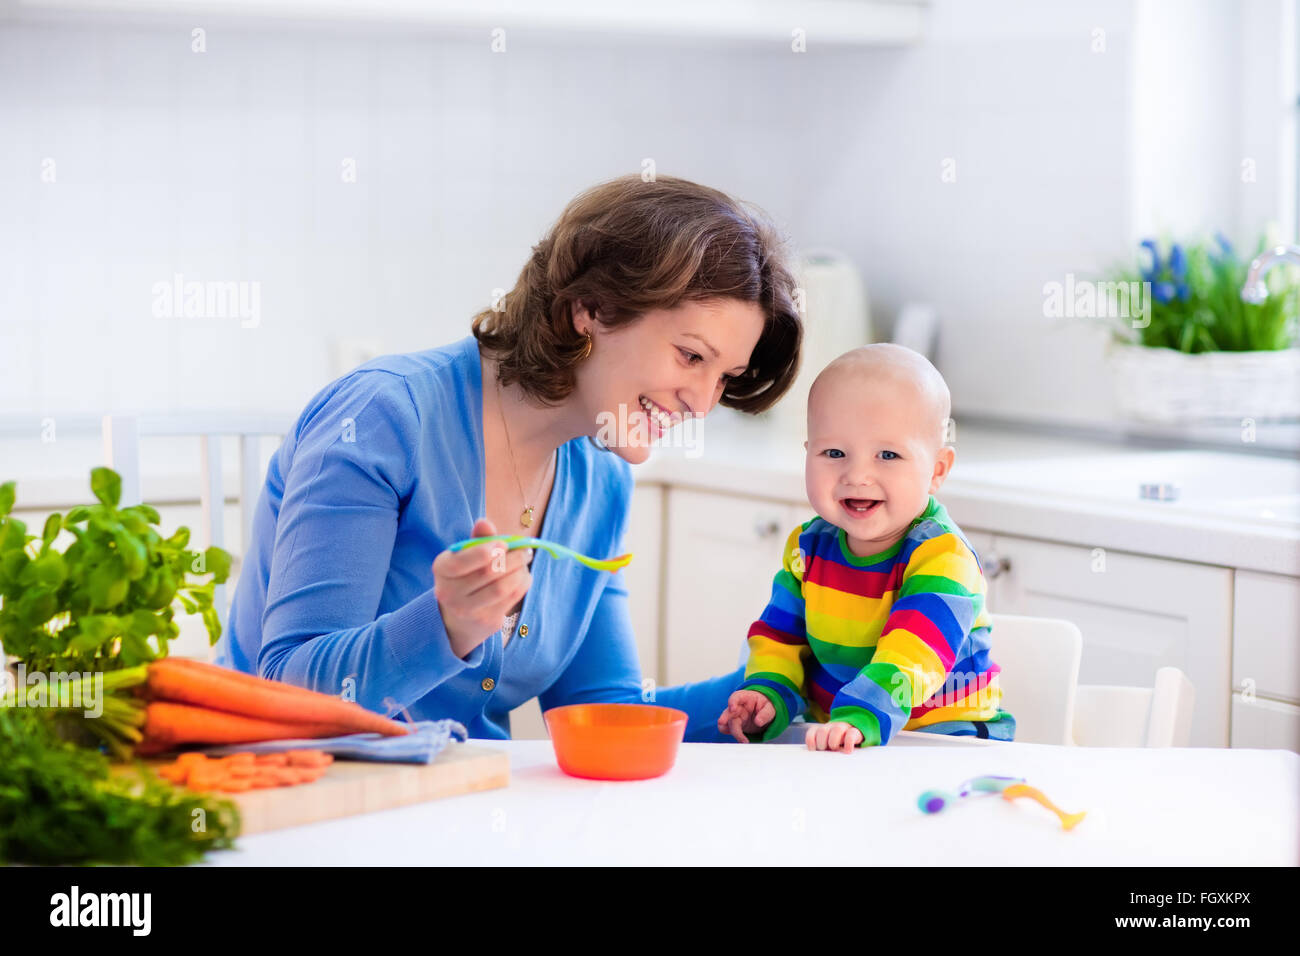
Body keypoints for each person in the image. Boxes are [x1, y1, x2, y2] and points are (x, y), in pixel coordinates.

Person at [213, 173, 802, 743]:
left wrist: (788, 684)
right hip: (280, 792)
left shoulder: (602, 476)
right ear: (590, 309)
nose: (702, 403)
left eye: (724, 376)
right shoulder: (384, 417)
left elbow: (601, 710)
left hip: (453, 803)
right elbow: (286, 687)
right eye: (690, 356)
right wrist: (446, 626)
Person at [717, 344, 1017, 751]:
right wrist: (769, 693)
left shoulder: (943, 557)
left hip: (944, 742)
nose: (857, 475)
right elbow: (780, 637)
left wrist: (861, 716)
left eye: (888, 455)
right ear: (808, 455)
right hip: (839, 738)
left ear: (937, 470)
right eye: (834, 453)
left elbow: (912, 655)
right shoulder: (808, 545)